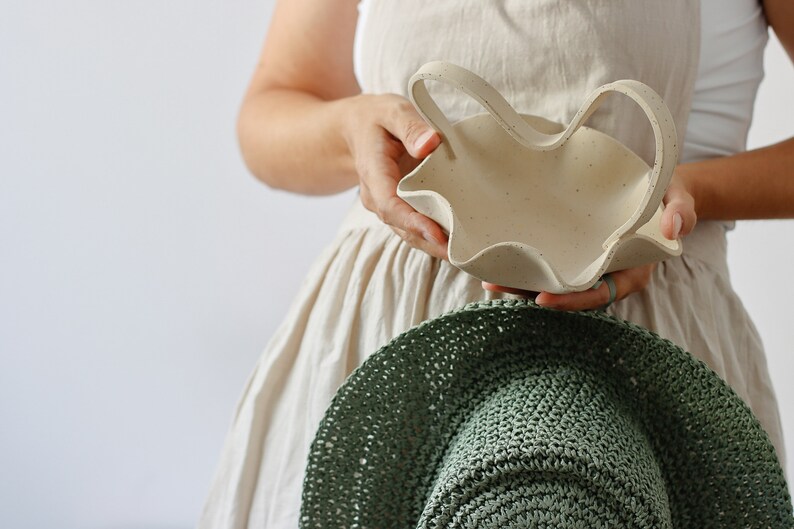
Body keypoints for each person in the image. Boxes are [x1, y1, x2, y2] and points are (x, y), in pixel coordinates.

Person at [200, 0, 794, 527]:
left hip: (642, 346)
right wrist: (350, 129)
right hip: (381, 343)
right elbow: (271, 111)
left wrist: (679, 196)